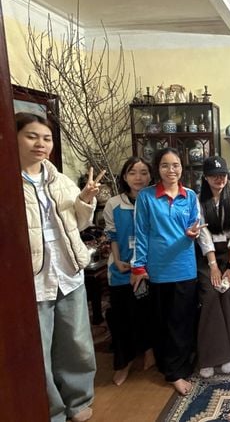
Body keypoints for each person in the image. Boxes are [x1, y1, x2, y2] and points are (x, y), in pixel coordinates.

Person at [17, 112, 100, 422]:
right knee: (39, 348)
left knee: (76, 343)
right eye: (32, 136)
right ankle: (51, 410)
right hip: (32, 276)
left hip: (68, 269)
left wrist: (86, 199)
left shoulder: (59, 179)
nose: (40, 144)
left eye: (46, 138)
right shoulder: (8, 182)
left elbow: (80, 222)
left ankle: (78, 402)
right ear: (14, 138)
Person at [131, 147, 203, 396]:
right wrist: (138, 266)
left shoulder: (190, 195)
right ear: (157, 169)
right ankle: (171, 370)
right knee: (163, 321)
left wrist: (193, 233)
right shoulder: (146, 196)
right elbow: (141, 232)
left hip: (185, 267)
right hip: (159, 268)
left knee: (182, 320)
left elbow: (194, 225)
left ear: (182, 168)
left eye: (175, 165)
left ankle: (178, 368)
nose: (171, 170)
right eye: (165, 165)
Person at [103, 156, 155, 386]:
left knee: (148, 313)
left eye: (144, 172)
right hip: (121, 268)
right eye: (133, 172)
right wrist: (117, 260)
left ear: (151, 176)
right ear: (124, 177)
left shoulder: (154, 200)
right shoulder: (114, 204)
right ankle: (123, 362)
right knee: (122, 316)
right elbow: (112, 235)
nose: (138, 178)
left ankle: (150, 350)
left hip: (149, 269)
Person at [196, 156, 230, 378]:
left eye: (223, 175)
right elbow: (203, 234)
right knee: (210, 294)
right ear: (206, 178)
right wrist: (213, 266)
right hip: (208, 256)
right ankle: (211, 356)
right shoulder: (197, 200)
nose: (219, 179)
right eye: (214, 175)